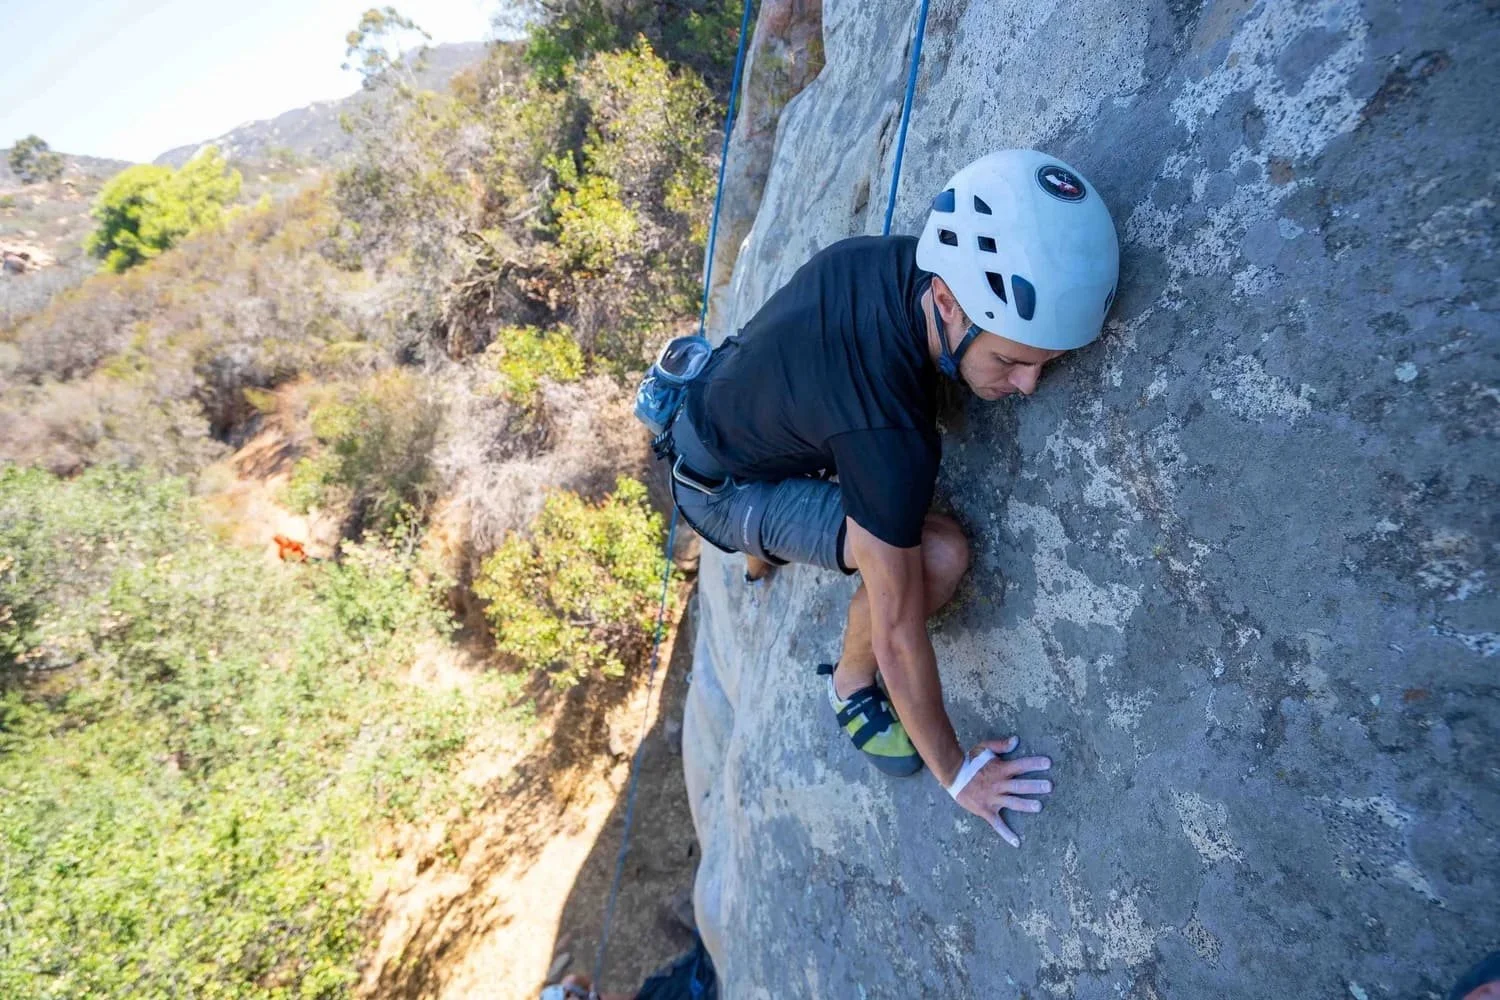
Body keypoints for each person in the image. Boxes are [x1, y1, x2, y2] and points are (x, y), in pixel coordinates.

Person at [658, 149, 1120, 844]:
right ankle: (846, 686)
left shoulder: (894, 261)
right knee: (933, 554)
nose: (1028, 385)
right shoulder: (888, 437)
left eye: (1041, 363)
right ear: (945, 302)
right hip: (722, 491)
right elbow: (900, 629)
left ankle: (765, 552)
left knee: (854, 513)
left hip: (731, 411)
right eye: (1012, 360)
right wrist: (957, 772)